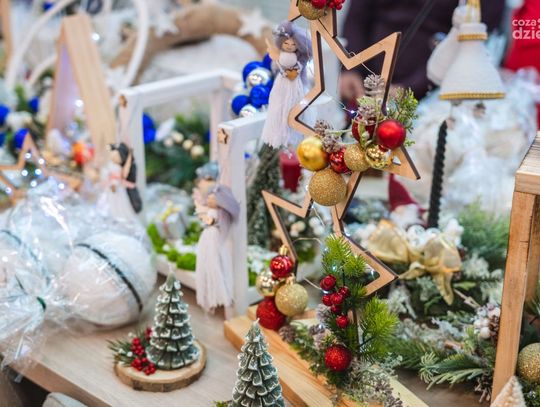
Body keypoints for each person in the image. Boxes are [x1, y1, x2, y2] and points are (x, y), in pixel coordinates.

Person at [340, 0, 506, 101]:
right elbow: (358, 16)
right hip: (363, 87)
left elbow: (475, 41)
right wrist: (351, 69)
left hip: (433, 96)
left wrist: (409, 89)